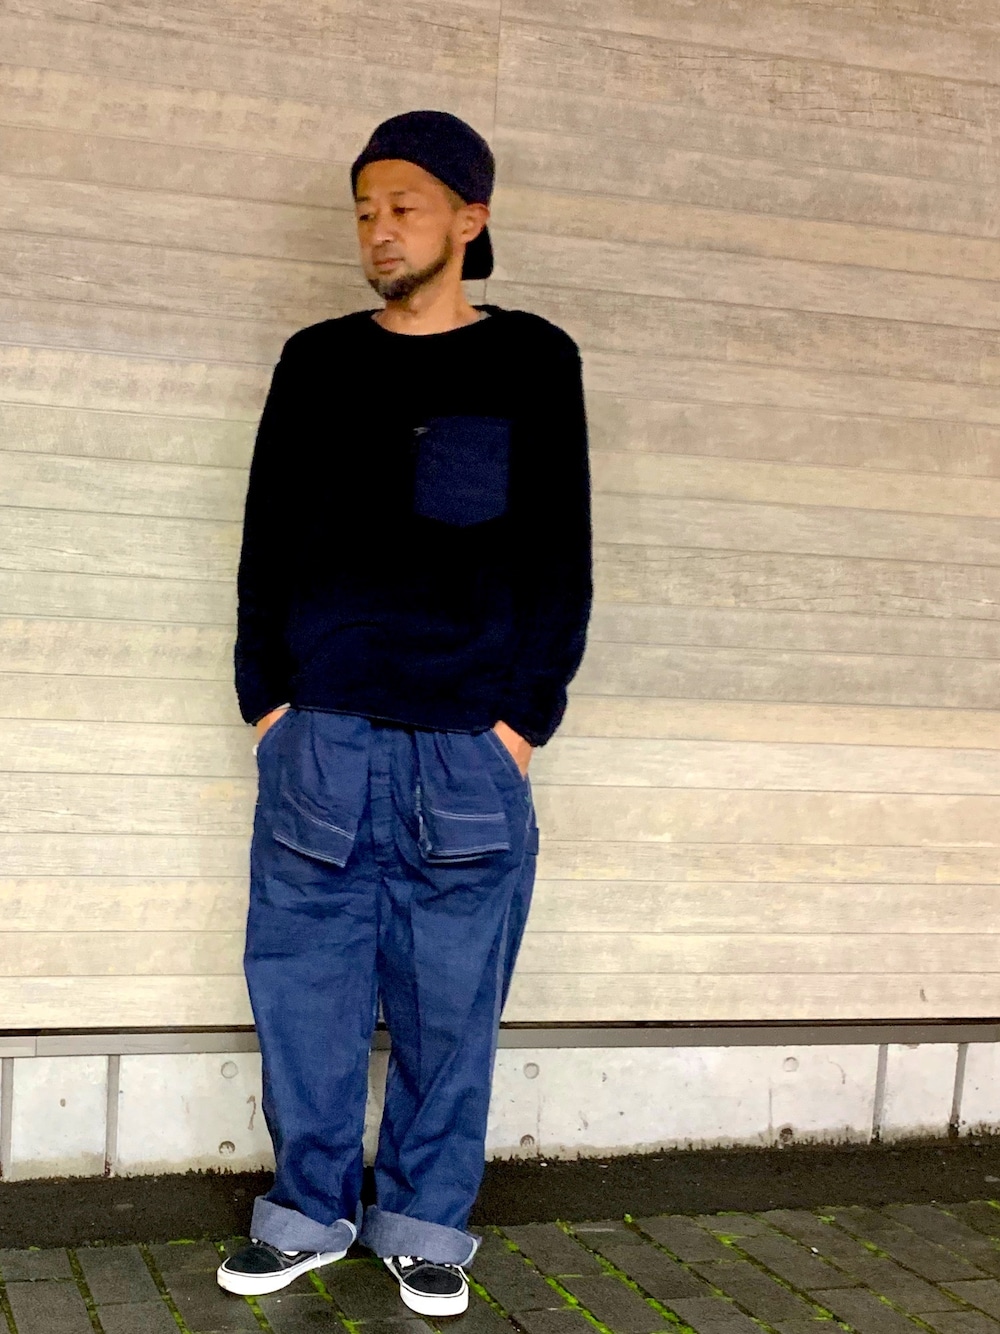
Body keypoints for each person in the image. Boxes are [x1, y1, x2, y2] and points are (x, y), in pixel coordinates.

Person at [216, 109, 593, 1317]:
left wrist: (521, 719)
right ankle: (306, 1212)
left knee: (450, 1003)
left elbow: (560, 558)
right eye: (364, 210)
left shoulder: (530, 360)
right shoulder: (317, 362)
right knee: (305, 991)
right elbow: (265, 544)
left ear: (469, 218)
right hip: (320, 734)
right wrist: (267, 702)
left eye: (403, 206)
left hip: (466, 746)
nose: (378, 230)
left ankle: (426, 1223)